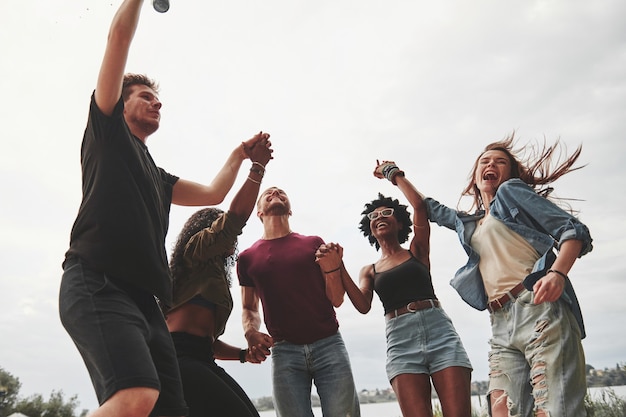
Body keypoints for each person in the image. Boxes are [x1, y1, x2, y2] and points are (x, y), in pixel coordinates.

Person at [59, 1, 270, 416]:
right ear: (119, 103)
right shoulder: (108, 136)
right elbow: (118, 38)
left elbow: (213, 192)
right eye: (145, 96)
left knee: (169, 409)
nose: (157, 104)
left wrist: (238, 155)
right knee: (134, 397)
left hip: (145, 301)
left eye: (159, 99)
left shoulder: (158, 176)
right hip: (98, 283)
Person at [396, 133, 592, 417]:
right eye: (485, 161)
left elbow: (573, 230)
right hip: (500, 323)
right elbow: (427, 207)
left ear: (509, 173)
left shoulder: (512, 192)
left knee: (554, 410)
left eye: (500, 162)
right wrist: (394, 174)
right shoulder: (470, 223)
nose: (492, 164)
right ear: (475, 177)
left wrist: (557, 273)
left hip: (539, 312)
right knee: (502, 411)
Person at [315, 169, 473, 417]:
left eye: (386, 213)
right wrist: (339, 265)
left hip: (439, 332)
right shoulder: (370, 270)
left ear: (399, 222)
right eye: (373, 216)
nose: (379, 217)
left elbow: (420, 206)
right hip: (401, 342)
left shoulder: (416, 251)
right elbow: (362, 305)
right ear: (370, 229)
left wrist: (393, 175)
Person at [164, 136, 273, 417]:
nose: (227, 237)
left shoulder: (213, 277)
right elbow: (235, 219)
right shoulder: (194, 251)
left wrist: (241, 355)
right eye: (217, 225)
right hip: (174, 359)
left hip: (199, 357)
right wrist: (257, 167)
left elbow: (206, 343)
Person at [236, 187, 361, 417]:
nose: (275, 193)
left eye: (281, 192)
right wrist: (250, 332)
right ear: (259, 212)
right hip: (285, 353)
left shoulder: (313, 243)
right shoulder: (246, 258)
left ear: (290, 210)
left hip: (329, 345)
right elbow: (248, 307)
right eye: (268, 193)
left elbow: (337, 299)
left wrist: (333, 268)